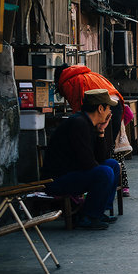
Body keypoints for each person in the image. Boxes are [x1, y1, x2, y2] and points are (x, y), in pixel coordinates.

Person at [42, 89, 121, 230]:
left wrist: (101, 132)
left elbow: (101, 158)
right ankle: (88, 216)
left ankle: (99, 211)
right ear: (100, 108)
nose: (110, 112)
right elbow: (88, 163)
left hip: (74, 173)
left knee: (112, 165)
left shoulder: (88, 124)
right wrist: (101, 171)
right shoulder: (79, 123)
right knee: (105, 172)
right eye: (108, 108)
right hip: (57, 180)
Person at [54, 64, 131, 197]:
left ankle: (101, 190)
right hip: (116, 105)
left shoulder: (69, 82)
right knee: (108, 154)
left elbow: (78, 106)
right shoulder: (87, 75)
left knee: (106, 158)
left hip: (108, 106)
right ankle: (104, 190)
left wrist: (99, 130)